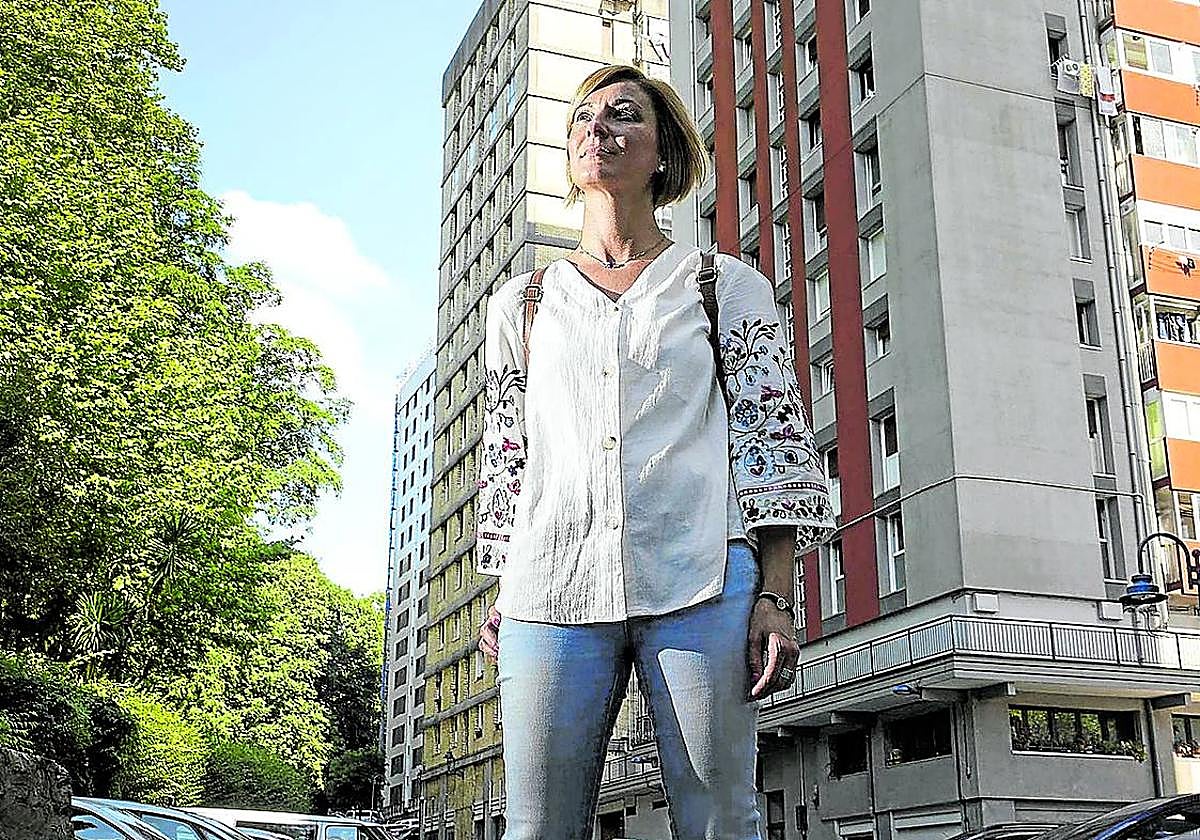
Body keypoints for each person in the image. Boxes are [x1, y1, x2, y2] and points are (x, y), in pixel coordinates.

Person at [473, 63, 834, 840]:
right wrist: (504, 589)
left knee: (720, 821)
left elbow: (772, 446)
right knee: (536, 828)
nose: (597, 128)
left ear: (664, 151)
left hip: (702, 580)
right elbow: (509, 460)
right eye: (584, 118)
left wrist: (775, 596)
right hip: (552, 589)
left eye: (623, 115)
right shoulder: (523, 304)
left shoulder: (721, 285)